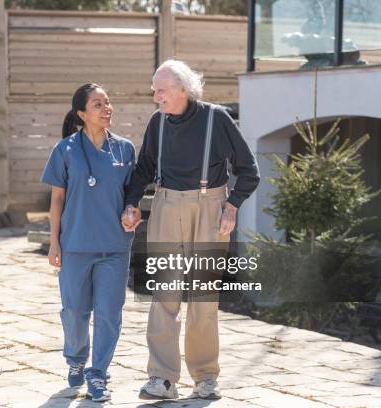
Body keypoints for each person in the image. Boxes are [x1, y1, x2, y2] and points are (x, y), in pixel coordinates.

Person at [121, 60, 260, 400]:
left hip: (209, 207)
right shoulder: (158, 123)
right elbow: (144, 168)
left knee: (203, 298)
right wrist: (132, 202)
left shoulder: (217, 118)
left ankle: (205, 377)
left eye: (161, 90)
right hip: (167, 205)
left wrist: (232, 205)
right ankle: (162, 378)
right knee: (164, 296)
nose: (156, 97)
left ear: (183, 89)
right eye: (155, 91)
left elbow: (248, 170)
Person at [41, 83, 136, 402]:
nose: (107, 108)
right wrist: (54, 243)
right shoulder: (64, 150)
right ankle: (76, 359)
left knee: (110, 312)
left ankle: (98, 374)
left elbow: (131, 197)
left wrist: (131, 211)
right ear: (81, 114)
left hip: (114, 247)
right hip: (75, 245)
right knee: (74, 312)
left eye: (108, 103)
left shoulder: (125, 149)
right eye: (98, 104)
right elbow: (56, 201)